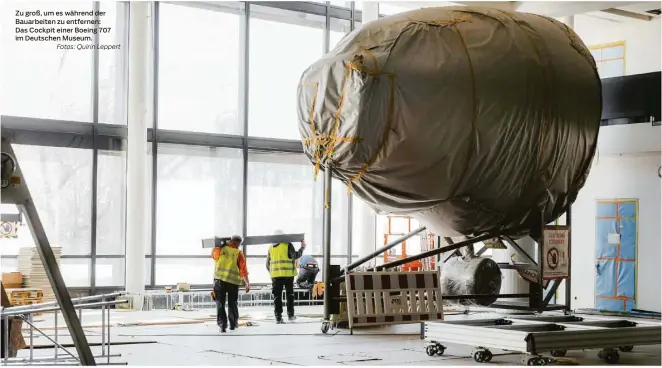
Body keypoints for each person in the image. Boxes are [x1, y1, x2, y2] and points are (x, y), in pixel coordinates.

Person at [211, 235, 250, 333]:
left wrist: (218, 245)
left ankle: (222, 326)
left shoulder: (220, 249)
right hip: (233, 283)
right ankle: (233, 325)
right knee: (232, 304)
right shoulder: (238, 253)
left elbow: (213, 256)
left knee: (220, 304)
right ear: (238, 243)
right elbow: (243, 271)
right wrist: (247, 284)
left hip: (219, 281)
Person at [266, 230, 306, 323]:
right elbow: (295, 255)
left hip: (276, 277)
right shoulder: (287, 244)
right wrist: (302, 248)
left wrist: (273, 273)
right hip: (288, 275)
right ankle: (291, 315)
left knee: (277, 297)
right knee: (290, 296)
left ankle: (278, 317)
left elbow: (267, 264)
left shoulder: (270, 248)